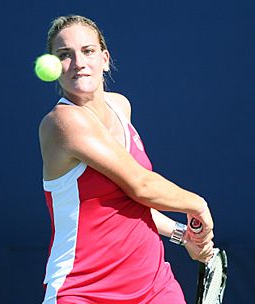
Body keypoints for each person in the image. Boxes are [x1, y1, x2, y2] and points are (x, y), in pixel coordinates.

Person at [39, 15, 214, 304]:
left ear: (105, 59)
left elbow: (129, 202)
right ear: (55, 67)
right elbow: (141, 185)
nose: (79, 62)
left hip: (154, 286)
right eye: (65, 55)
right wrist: (198, 205)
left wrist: (183, 235)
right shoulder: (62, 123)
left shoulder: (120, 106)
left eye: (88, 51)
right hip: (85, 291)